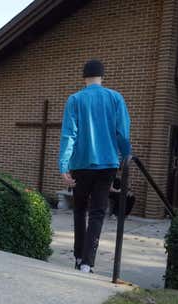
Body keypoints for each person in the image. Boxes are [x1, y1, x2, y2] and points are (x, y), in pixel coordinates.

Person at [59, 59, 131, 273]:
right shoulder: (116, 98)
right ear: (102, 76)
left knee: (80, 209)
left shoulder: (75, 100)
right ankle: (87, 263)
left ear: (84, 77)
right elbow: (122, 133)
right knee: (98, 212)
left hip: (80, 165)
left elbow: (69, 134)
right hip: (108, 164)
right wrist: (127, 158)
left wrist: (63, 165)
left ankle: (78, 255)